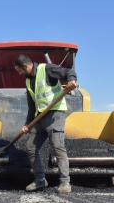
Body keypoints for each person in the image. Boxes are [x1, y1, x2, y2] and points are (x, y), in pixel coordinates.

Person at [14, 54, 77, 193]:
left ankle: (65, 183)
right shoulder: (28, 81)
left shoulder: (46, 69)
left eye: (19, 71)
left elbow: (68, 72)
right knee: (31, 147)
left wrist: (71, 80)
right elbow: (32, 105)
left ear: (26, 66)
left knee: (57, 147)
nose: (19, 74)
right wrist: (27, 124)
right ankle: (40, 180)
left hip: (55, 113)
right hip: (39, 117)